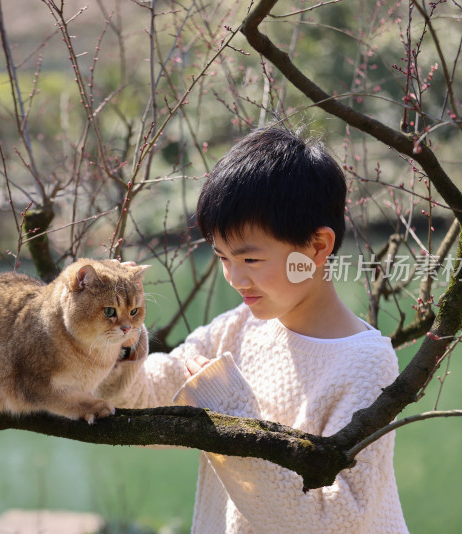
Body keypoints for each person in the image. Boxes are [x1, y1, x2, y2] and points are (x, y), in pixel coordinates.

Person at [97, 127, 409, 533]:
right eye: (223, 258)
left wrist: (231, 416)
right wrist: (110, 343)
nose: (235, 278)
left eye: (251, 259)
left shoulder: (366, 362)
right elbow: (146, 397)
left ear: (317, 246)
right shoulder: (237, 329)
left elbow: (336, 520)